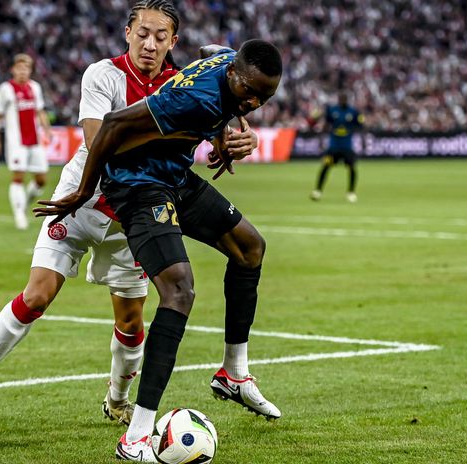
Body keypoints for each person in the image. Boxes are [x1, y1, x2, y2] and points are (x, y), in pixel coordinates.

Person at [0, 1, 261, 427]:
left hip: (137, 214)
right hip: (81, 198)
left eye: (161, 36)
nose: (150, 43)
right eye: (142, 32)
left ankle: (118, 400)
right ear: (127, 32)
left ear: (173, 42)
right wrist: (204, 131)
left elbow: (224, 67)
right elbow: (98, 140)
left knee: (131, 319)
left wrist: (234, 134)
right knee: (37, 294)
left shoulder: (183, 83)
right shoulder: (102, 74)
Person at [35, 39, 284, 462]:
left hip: (171, 173)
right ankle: (135, 437)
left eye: (265, 96)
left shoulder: (229, 66)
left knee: (250, 248)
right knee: (179, 291)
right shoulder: (192, 100)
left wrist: (229, 130)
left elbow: (213, 48)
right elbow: (112, 125)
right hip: (135, 183)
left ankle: (233, 374)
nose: (255, 101)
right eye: (249, 92)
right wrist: (81, 190)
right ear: (232, 76)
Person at [0, 53, 53, 230]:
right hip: (16, 142)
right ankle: (19, 214)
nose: (23, 71)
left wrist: (47, 129)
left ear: (30, 71)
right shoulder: (5, 89)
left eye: (26, 68)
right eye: (20, 68)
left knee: (41, 180)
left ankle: (23, 204)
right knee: (18, 177)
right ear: (13, 70)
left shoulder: (35, 87)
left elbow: (40, 111)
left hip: (35, 141)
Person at [310, 91, 364, 203]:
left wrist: (363, 140)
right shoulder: (332, 110)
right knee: (326, 166)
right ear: (338, 99)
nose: (342, 101)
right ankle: (318, 191)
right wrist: (321, 139)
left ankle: (351, 192)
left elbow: (361, 126)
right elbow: (325, 125)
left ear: (346, 100)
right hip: (333, 146)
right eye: (340, 99)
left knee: (352, 167)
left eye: (344, 99)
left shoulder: (353, 112)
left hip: (347, 146)